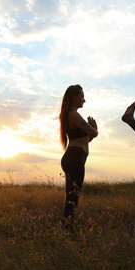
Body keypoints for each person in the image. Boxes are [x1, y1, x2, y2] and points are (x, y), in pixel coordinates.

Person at [59, 84, 98, 226]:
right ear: (74, 97)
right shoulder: (73, 115)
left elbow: (86, 139)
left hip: (74, 157)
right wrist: (94, 128)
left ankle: (67, 226)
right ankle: (66, 228)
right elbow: (93, 133)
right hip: (74, 158)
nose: (84, 100)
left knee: (71, 196)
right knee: (72, 197)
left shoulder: (69, 114)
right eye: (82, 96)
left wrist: (92, 131)